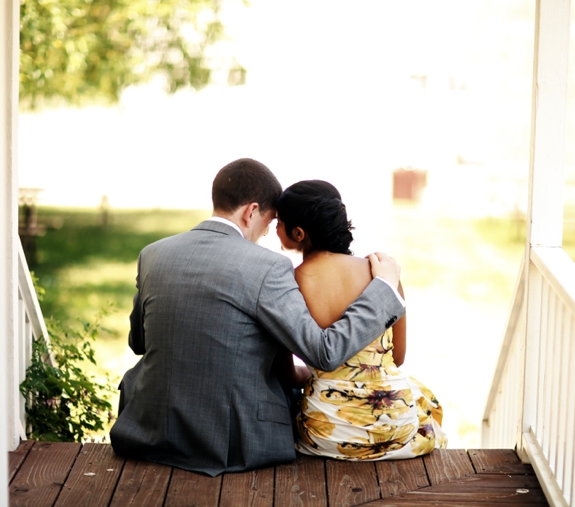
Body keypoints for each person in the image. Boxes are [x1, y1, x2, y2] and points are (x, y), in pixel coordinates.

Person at [110, 159, 405, 476]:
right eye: (269, 221)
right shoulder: (268, 267)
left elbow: (138, 343)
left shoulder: (153, 254)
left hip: (147, 428)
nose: (267, 232)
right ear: (251, 212)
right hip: (230, 443)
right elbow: (325, 352)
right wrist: (384, 288)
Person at [274, 180, 447, 460]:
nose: (275, 228)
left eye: (279, 222)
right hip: (395, 424)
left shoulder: (288, 283)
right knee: (422, 397)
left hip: (327, 432)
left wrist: (312, 375)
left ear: (298, 232)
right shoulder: (382, 275)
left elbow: (286, 372)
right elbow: (398, 357)